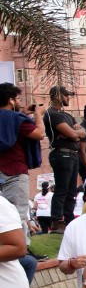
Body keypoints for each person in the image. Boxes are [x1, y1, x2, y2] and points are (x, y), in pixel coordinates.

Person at [0, 83, 43, 237]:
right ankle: (20, 251)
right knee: (17, 213)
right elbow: (39, 134)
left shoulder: (16, 118)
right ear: (11, 100)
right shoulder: (17, 119)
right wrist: (38, 114)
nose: (20, 102)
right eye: (18, 99)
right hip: (15, 171)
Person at [43, 85, 86, 230]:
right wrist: (75, 133)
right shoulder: (52, 114)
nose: (68, 97)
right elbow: (74, 134)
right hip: (61, 154)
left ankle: (68, 220)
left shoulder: (67, 115)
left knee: (71, 191)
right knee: (62, 189)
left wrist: (76, 133)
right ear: (58, 95)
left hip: (72, 154)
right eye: (66, 95)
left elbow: (83, 133)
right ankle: (56, 221)